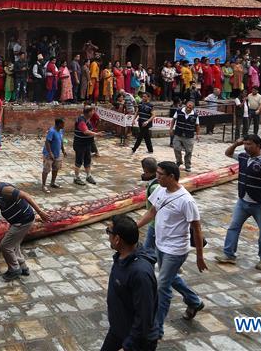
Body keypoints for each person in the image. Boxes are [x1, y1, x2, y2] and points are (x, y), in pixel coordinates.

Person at [136, 161, 208, 339]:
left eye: (161, 174)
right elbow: (152, 212)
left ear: (171, 177)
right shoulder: (160, 190)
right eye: (157, 173)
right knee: (170, 277)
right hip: (160, 244)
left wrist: (200, 256)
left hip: (176, 250)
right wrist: (135, 226)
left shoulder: (186, 201)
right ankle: (194, 301)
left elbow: (197, 229)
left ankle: (156, 329)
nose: (157, 176)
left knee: (162, 286)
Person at [213, 135, 261, 270]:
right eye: (245, 144)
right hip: (243, 201)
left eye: (249, 144)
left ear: (258, 146)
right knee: (233, 227)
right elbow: (228, 153)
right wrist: (235, 144)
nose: (246, 147)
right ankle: (229, 254)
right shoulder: (243, 157)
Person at [101, 215, 159, 351]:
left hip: (137, 340)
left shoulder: (140, 273)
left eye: (109, 231)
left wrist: (128, 346)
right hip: (118, 331)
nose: (107, 235)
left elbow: (144, 316)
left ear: (117, 239)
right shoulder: (121, 257)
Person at [0, 174, 48, 280]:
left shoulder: (4, 190)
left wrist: (40, 212)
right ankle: (23, 267)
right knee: (14, 245)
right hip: (17, 222)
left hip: (23, 221)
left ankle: (14, 270)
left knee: (5, 246)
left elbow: (26, 195)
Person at [169, 100, 200, 173]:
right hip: (178, 133)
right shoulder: (179, 111)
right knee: (176, 148)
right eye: (188, 105)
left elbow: (197, 125)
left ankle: (188, 165)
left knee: (188, 151)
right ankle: (179, 161)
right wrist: (171, 129)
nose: (189, 107)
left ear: (192, 108)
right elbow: (173, 119)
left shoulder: (195, 115)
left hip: (189, 136)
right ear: (186, 105)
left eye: (190, 106)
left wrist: (198, 135)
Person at [73, 106, 100, 186]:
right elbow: (85, 131)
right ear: (88, 113)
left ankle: (88, 176)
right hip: (80, 144)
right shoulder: (81, 120)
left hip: (87, 144)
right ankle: (76, 178)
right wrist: (96, 134)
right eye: (92, 111)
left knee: (87, 160)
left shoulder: (88, 119)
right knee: (79, 161)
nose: (93, 113)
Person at [42, 118, 65, 192]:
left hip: (57, 153)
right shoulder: (52, 131)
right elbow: (47, 142)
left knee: (56, 169)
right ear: (58, 124)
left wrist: (63, 150)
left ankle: (53, 183)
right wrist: (50, 153)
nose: (64, 125)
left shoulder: (61, 131)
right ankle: (43, 185)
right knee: (46, 170)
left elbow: (61, 141)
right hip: (49, 154)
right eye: (63, 124)